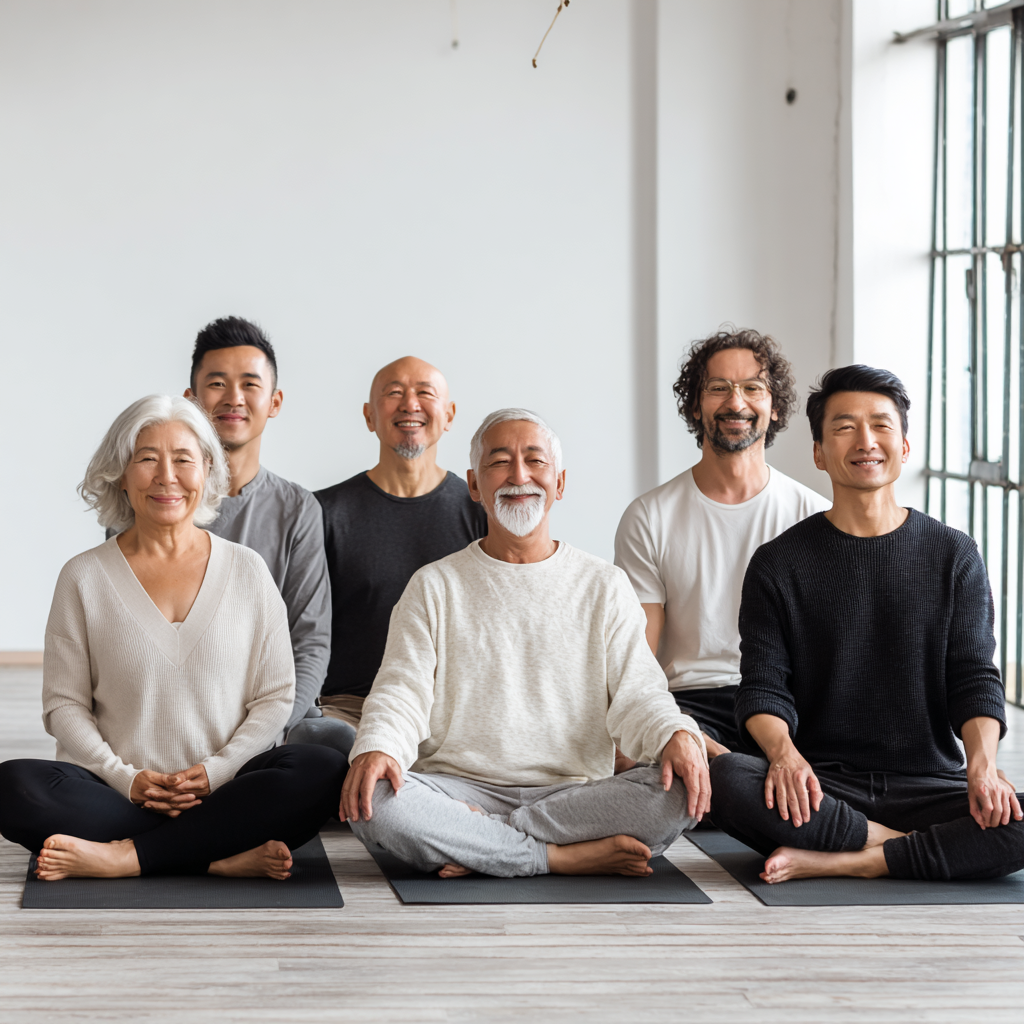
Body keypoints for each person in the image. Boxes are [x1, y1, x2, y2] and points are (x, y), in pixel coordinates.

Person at [341, 409, 710, 879]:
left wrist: (674, 734)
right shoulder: (433, 585)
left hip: (573, 797)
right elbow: (400, 692)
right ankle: (557, 857)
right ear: (474, 486)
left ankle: (482, 842)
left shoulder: (604, 585)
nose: (519, 476)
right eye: (500, 462)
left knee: (680, 791)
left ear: (560, 483)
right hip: (456, 790)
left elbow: (639, 693)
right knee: (373, 798)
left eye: (535, 461)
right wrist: (379, 747)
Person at [0, 396, 346, 880]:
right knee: (12, 785)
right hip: (116, 793)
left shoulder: (247, 570)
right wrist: (127, 778)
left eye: (183, 459)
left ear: (207, 470)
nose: (166, 476)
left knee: (323, 768)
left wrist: (216, 772)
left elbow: (275, 697)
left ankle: (126, 857)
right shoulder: (82, 577)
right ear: (121, 474)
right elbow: (64, 706)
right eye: (147, 458)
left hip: (227, 790)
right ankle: (214, 855)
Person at [710, 365, 1024, 883]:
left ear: (904, 446)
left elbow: (974, 678)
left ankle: (858, 858)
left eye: (881, 425)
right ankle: (902, 846)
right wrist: (785, 757)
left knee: (1016, 813)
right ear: (818, 453)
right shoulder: (778, 563)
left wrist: (983, 766)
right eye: (844, 427)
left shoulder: (954, 555)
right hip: (822, 786)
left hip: (929, 783)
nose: (865, 441)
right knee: (727, 776)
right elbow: (763, 688)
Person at [615, 328, 830, 761]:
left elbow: (824, 648)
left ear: (774, 405)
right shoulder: (649, 516)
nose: (736, 402)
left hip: (784, 703)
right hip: (689, 704)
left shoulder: (814, 515)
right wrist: (660, 729)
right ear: (696, 405)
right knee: (671, 775)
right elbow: (640, 658)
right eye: (718, 388)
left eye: (753, 388)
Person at [288, 356, 487, 758]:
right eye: (394, 393)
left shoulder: (480, 512)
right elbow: (297, 628)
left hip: (452, 717)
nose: (410, 404)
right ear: (369, 416)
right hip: (351, 713)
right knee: (318, 752)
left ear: (449, 415)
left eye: (424, 393)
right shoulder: (323, 512)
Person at [181, 316, 331, 736]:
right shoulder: (154, 501)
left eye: (249, 384)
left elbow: (310, 643)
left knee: (333, 743)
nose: (234, 398)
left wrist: (259, 736)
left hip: (267, 723)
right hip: (172, 718)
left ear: (274, 401)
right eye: (217, 383)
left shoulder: (297, 510)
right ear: (191, 400)